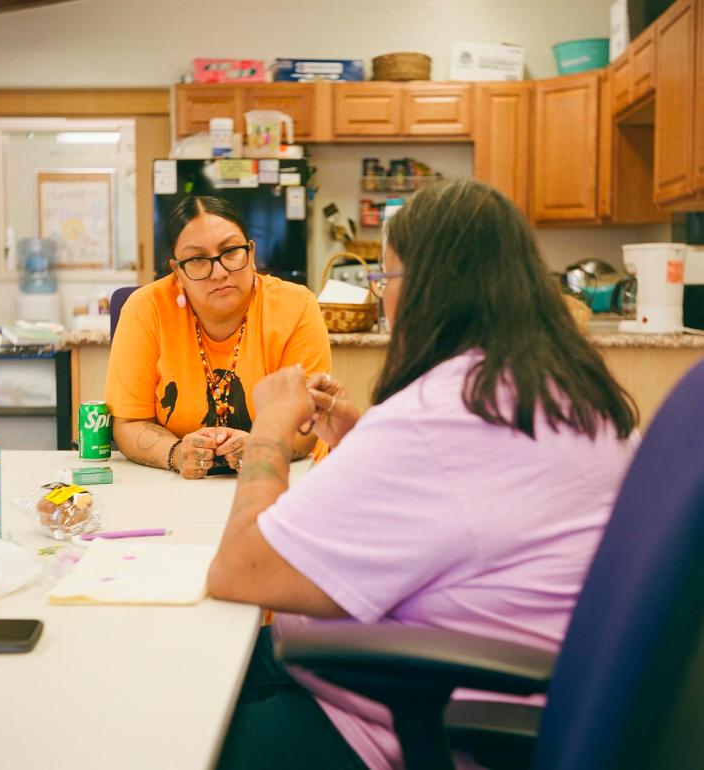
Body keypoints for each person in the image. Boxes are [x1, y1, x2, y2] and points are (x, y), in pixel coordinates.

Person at [206, 178, 639, 770]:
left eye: (386, 279)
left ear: (429, 289)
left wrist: (268, 434)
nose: (384, 300)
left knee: (185, 724)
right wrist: (364, 441)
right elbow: (467, 510)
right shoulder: (571, 392)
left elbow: (241, 570)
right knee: (208, 671)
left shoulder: (443, 414)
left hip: (419, 716)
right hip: (518, 697)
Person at [105, 195, 330, 478]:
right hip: (180, 486)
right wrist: (176, 454)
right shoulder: (145, 309)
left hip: (282, 478)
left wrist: (264, 448)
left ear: (251, 252)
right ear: (177, 270)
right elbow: (129, 423)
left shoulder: (296, 306)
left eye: (231, 251)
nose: (219, 272)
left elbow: (308, 423)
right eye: (198, 259)